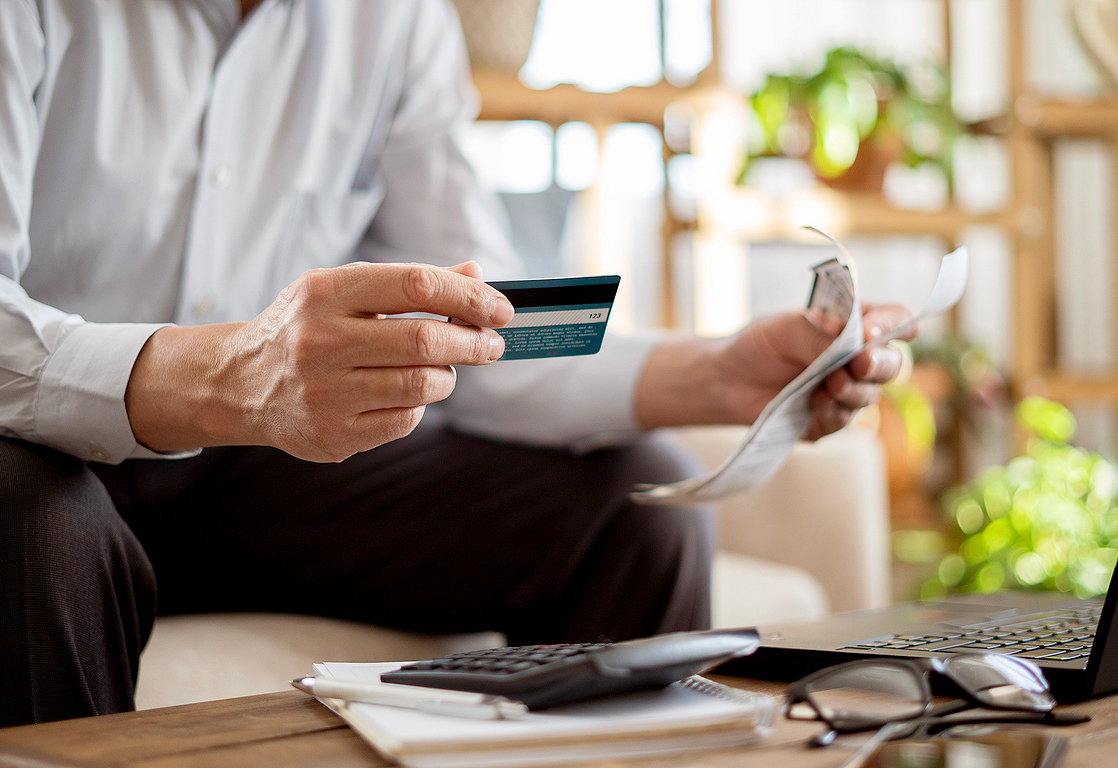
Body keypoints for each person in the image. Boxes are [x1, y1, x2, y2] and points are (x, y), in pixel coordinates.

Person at [0, 0, 912, 727]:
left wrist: (718, 375)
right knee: (33, 519)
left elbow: (483, 329)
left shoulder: (394, 20)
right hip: (44, 457)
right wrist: (228, 373)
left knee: (634, 504)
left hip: (258, 474)